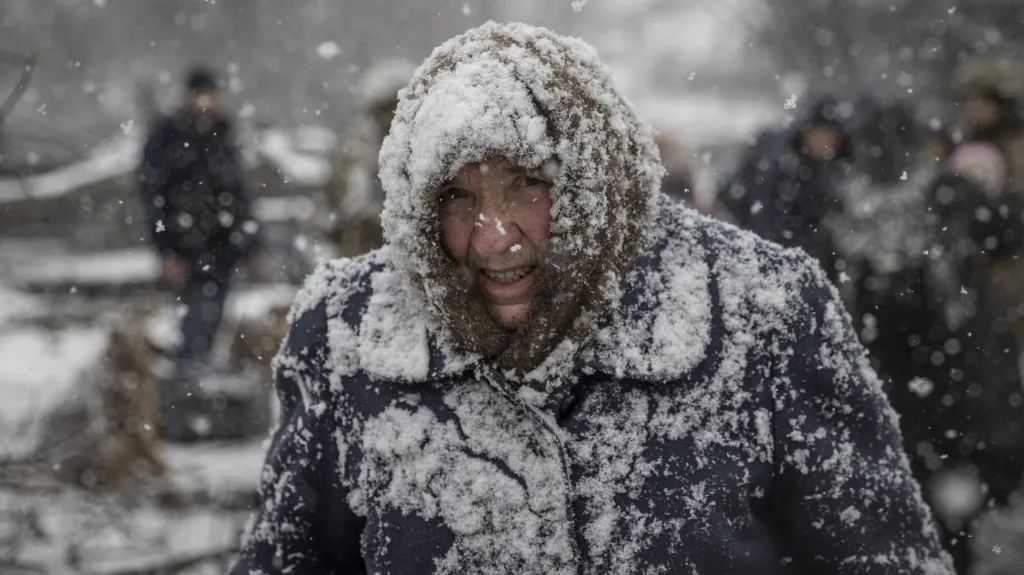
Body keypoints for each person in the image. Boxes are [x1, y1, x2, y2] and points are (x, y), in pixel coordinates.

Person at [231, 23, 952, 574]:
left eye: (527, 185)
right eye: (456, 197)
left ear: (594, 181)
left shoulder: (762, 308)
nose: (493, 236)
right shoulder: (347, 334)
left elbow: (881, 554)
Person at [827, 114, 1024, 571]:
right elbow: (1007, 231)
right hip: (946, 365)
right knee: (945, 488)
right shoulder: (940, 190)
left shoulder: (848, 198)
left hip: (898, 366)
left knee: (914, 480)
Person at [139, 67, 257, 367]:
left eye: (212, 94)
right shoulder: (168, 135)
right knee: (192, 319)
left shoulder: (224, 134)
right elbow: (154, 197)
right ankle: (186, 380)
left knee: (215, 315)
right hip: (185, 245)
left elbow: (240, 194)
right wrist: (166, 249)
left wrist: (252, 243)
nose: (207, 101)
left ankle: (198, 377)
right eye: (202, 94)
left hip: (222, 244)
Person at [720, 95, 853, 278]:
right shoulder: (780, 170)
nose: (825, 142)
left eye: (831, 135)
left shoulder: (838, 172)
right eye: (820, 133)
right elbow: (765, 221)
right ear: (806, 133)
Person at [953, 57, 1024, 352]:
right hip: (975, 267)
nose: (974, 109)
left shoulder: (1017, 146)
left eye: (981, 101)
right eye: (969, 101)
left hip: (1013, 264)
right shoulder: (959, 144)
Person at [326, 57, 416, 257]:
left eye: (396, 106)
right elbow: (341, 202)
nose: (391, 116)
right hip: (364, 248)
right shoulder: (355, 148)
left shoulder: (421, 143)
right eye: (386, 109)